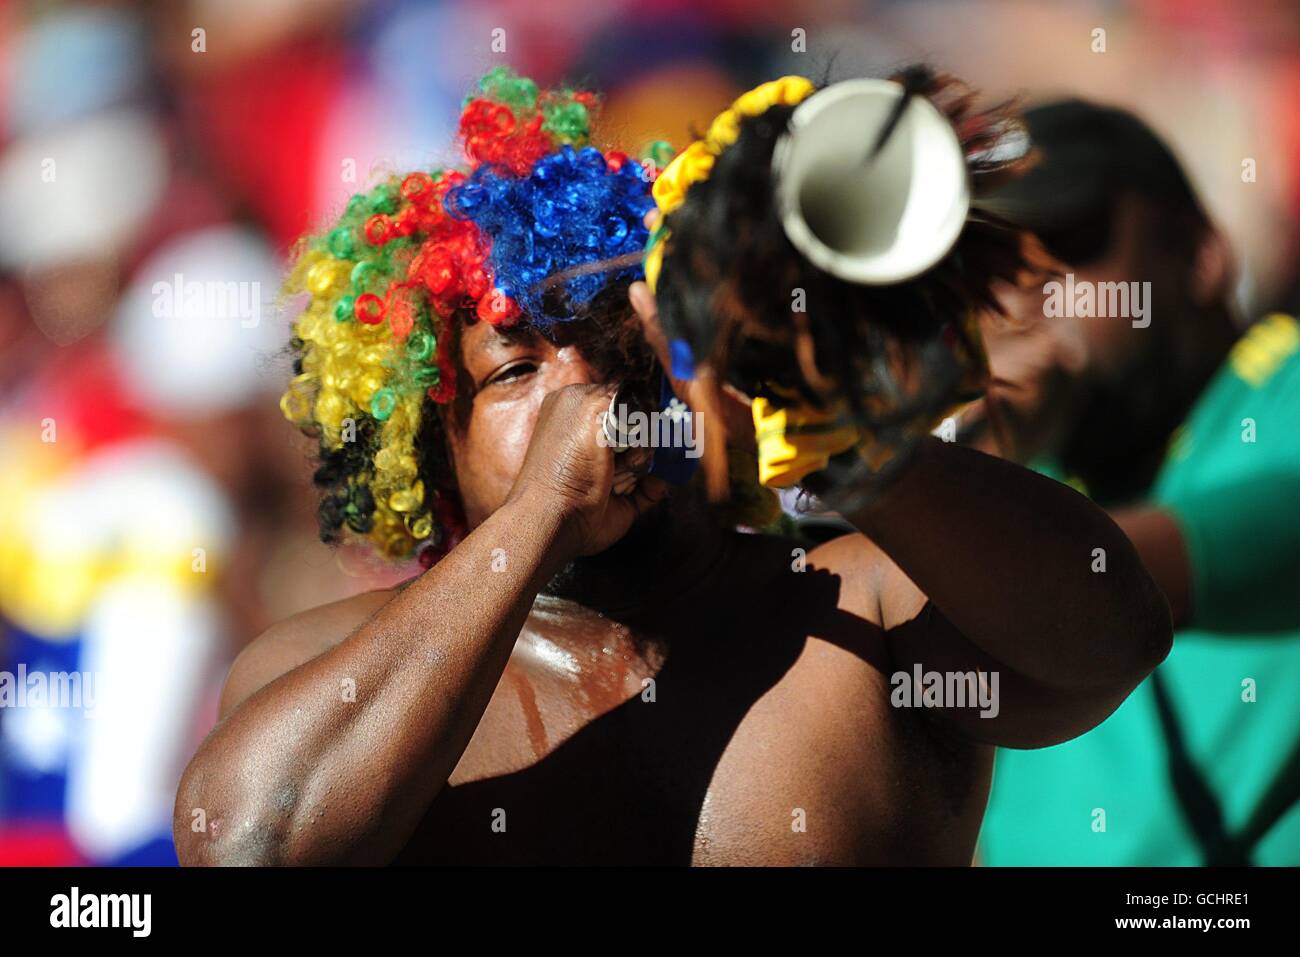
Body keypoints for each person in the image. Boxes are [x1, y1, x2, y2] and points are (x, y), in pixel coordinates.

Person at [172, 70, 1170, 866]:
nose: (585, 390)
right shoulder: (321, 663)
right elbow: (253, 844)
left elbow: (1108, 641)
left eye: (618, 348)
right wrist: (543, 514)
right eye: (517, 370)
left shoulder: (865, 603)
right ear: (425, 453)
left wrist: (851, 442)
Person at [973, 99, 1300, 865]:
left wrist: (918, 469)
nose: (1029, 302)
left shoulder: (1284, 390)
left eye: (1070, 252)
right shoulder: (1023, 462)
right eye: (995, 271)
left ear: (1201, 253)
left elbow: (1100, 581)